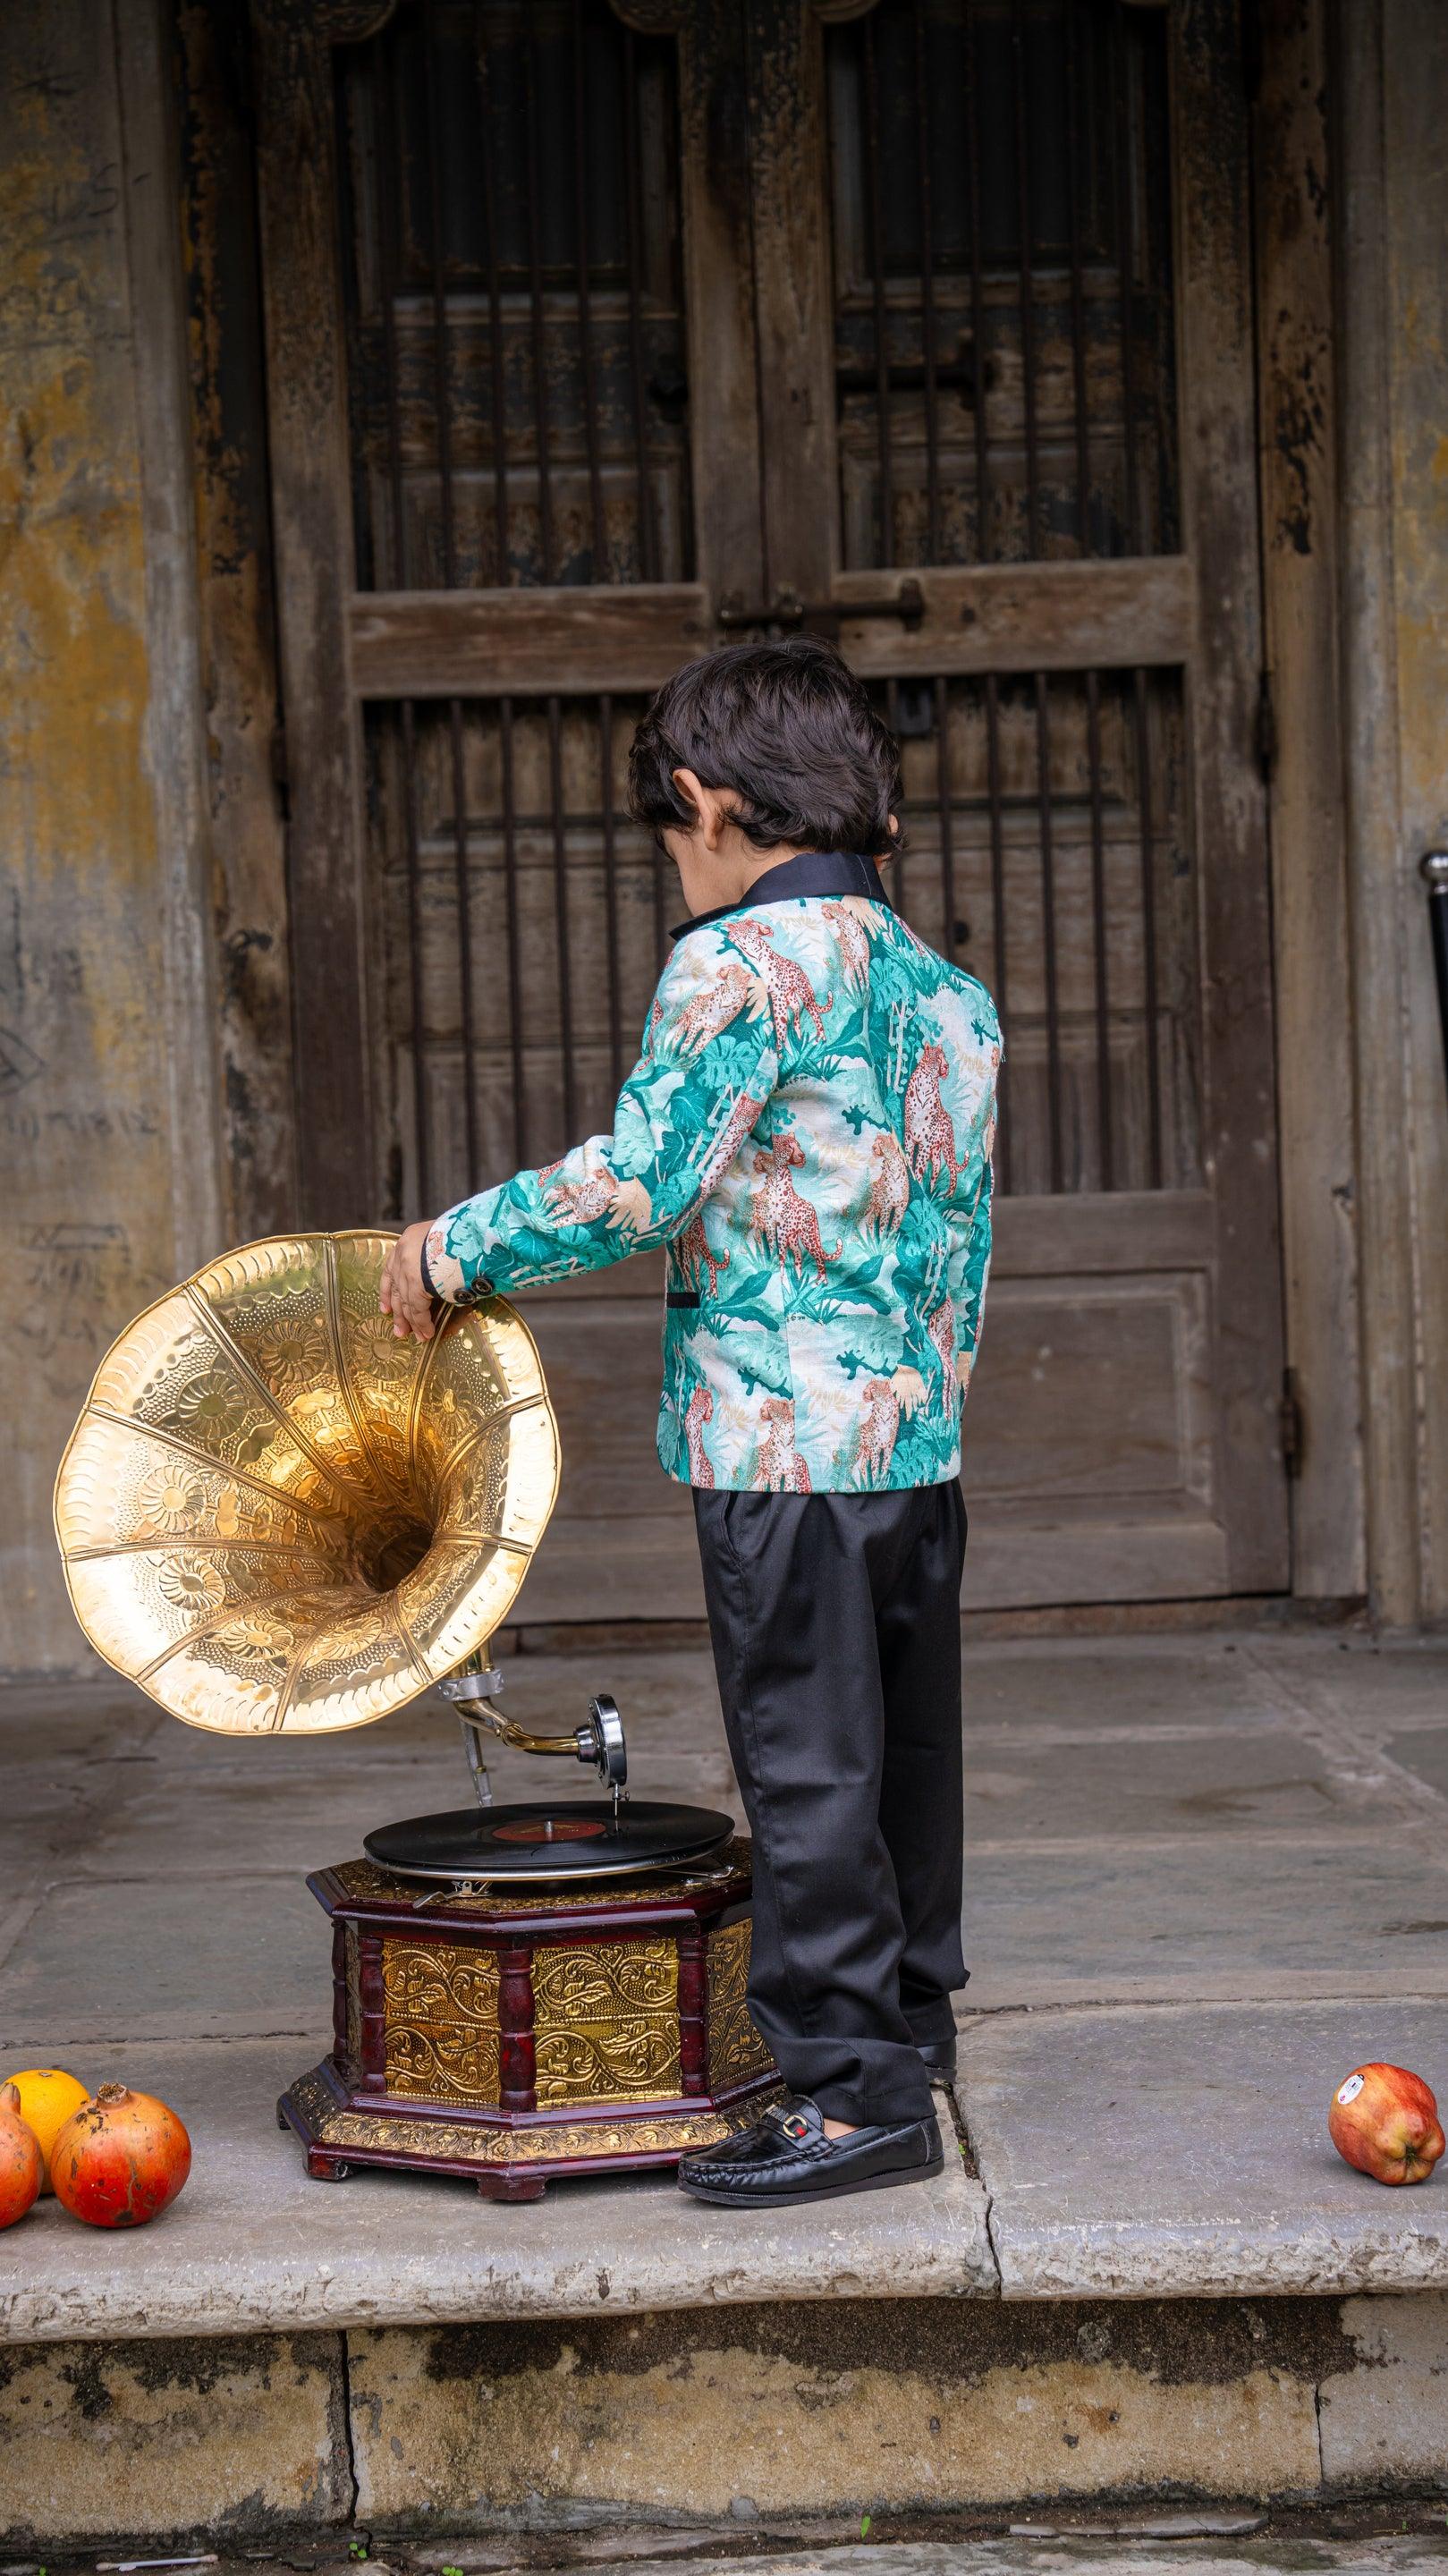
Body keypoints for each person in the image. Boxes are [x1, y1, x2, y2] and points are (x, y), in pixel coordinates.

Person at [380, 635, 1000, 2209]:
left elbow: (643, 1182)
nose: (682, 869)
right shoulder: (946, 989)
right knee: (905, 1753)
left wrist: (452, 1248)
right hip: (914, 1444)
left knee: (805, 1766)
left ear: (704, 799)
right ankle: (912, 2026)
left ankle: (851, 2097)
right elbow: (954, 1231)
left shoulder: (740, 965)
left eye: (673, 840)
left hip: (780, 1450)